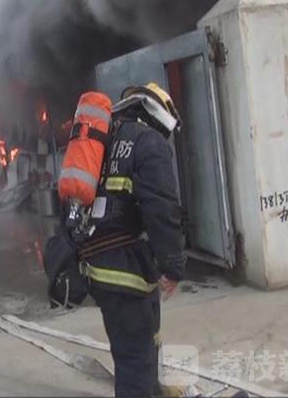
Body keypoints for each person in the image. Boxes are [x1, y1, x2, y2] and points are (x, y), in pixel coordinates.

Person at [80, 83, 186, 397]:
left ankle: (153, 390)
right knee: (135, 359)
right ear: (159, 116)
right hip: (125, 271)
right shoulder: (148, 142)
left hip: (101, 266)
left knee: (141, 343)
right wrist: (173, 266)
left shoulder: (106, 140)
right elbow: (162, 208)